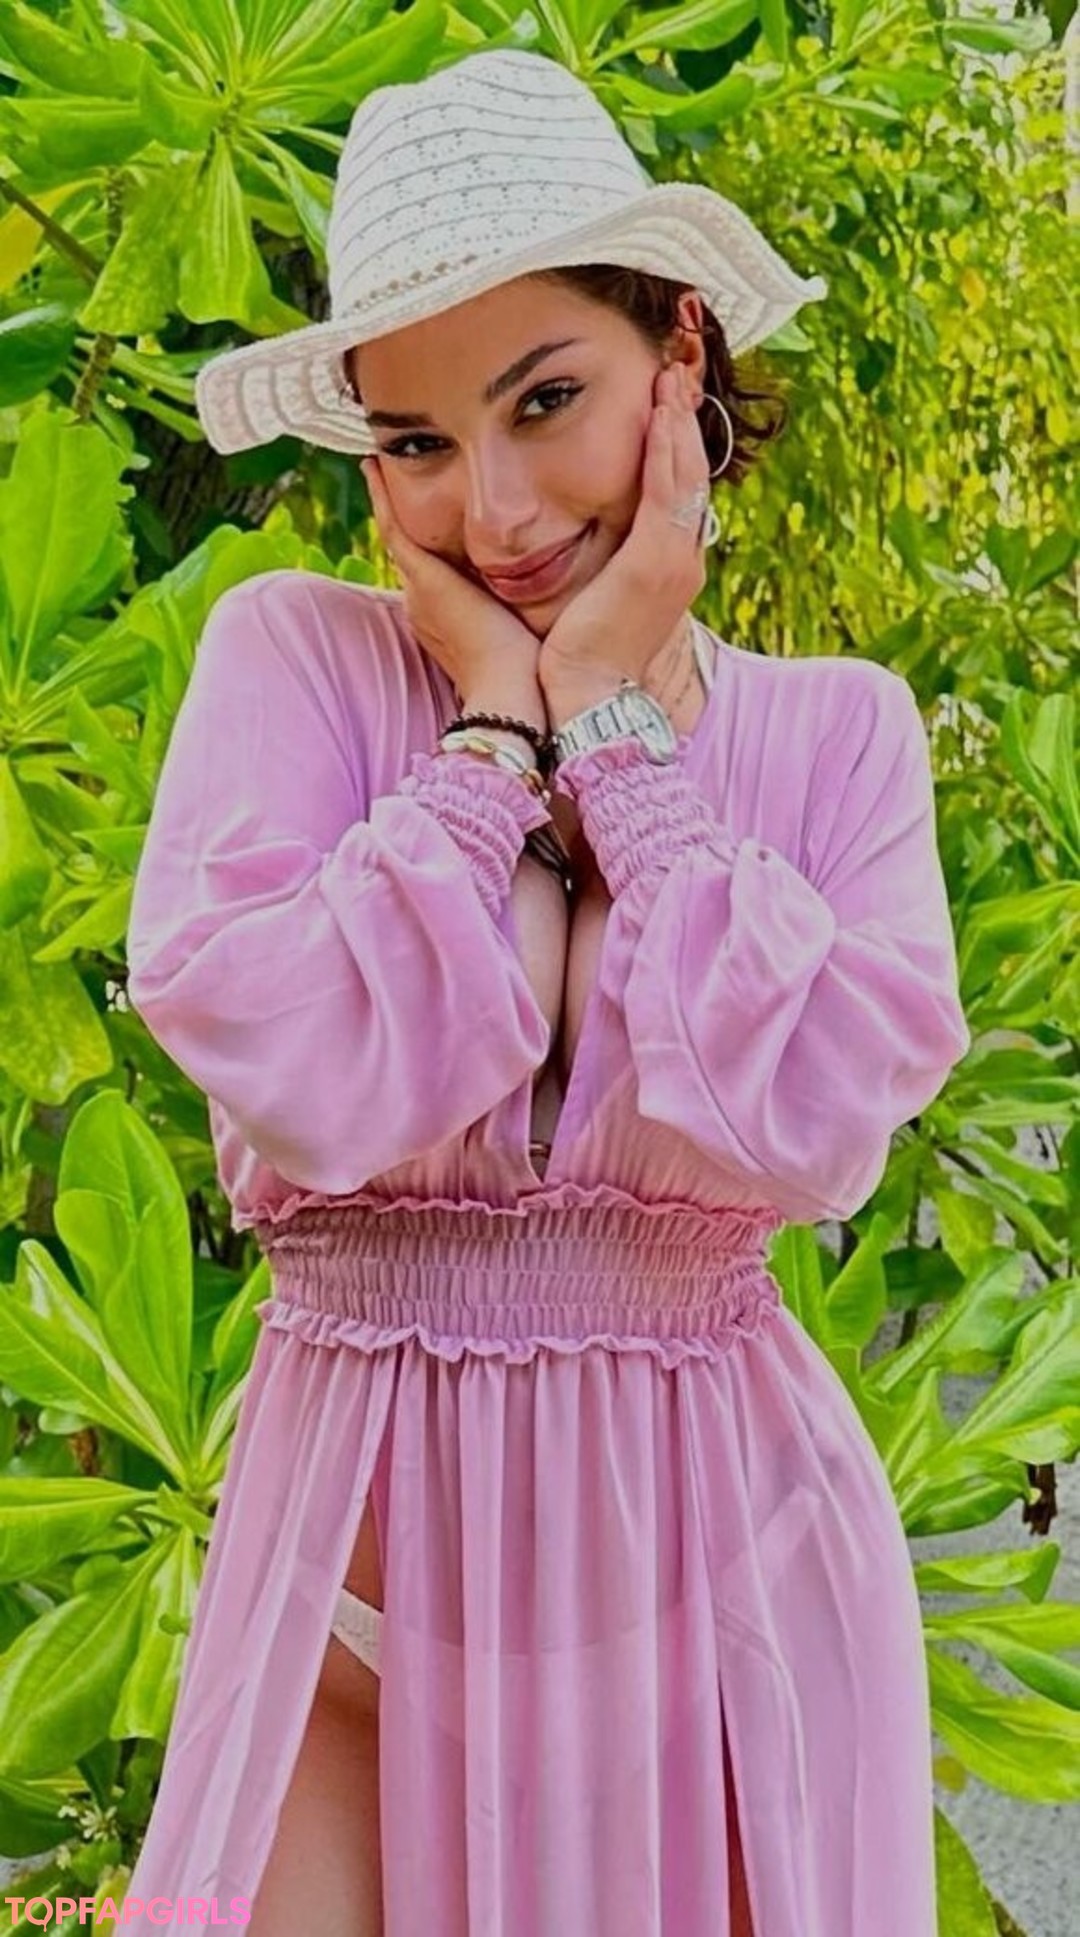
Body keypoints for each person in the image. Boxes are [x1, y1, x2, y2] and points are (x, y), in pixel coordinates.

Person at [122, 47, 970, 1937]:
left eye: (545, 400)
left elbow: (821, 1130)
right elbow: (296, 1063)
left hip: (730, 1579)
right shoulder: (297, 665)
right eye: (418, 441)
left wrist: (614, 727)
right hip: (355, 1588)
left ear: (679, 359)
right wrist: (493, 742)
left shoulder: (840, 737)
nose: (493, 508)